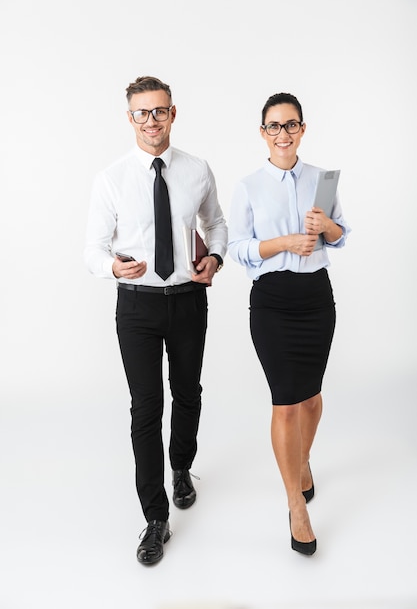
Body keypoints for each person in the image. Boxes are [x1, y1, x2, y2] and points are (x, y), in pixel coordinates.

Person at [84, 75, 227, 565]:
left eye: (159, 111)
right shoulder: (111, 178)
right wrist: (111, 267)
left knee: (188, 393)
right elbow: (91, 250)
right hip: (138, 306)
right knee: (146, 407)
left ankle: (181, 467)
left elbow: (217, 223)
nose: (151, 121)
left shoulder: (197, 169)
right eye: (142, 113)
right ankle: (155, 516)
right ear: (130, 118)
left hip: (188, 298)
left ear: (172, 113)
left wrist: (216, 258)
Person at [227, 92, 350, 555]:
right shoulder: (249, 186)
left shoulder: (322, 178)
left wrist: (326, 228)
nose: (283, 133)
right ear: (263, 133)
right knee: (286, 404)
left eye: (291, 124)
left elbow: (341, 236)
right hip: (273, 303)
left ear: (302, 129)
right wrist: (283, 242)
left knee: (313, 400)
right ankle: (295, 504)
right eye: (274, 126)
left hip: (317, 299)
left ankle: (303, 460)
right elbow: (238, 247)